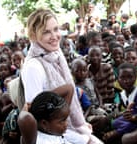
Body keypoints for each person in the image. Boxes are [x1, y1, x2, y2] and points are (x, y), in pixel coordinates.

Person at [21, 8, 102, 144]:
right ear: (33, 35)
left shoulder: (56, 55)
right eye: (46, 32)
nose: (54, 36)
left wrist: (79, 125)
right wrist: (78, 135)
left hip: (66, 128)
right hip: (51, 135)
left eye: (56, 29)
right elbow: (37, 113)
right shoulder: (33, 67)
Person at [103, 63, 137, 142]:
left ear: (136, 76)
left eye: (130, 77)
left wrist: (132, 117)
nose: (126, 81)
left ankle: (116, 133)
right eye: (122, 77)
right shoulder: (122, 94)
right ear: (118, 79)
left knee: (129, 125)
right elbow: (127, 111)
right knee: (115, 123)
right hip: (130, 118)